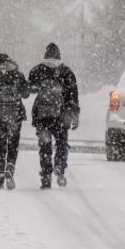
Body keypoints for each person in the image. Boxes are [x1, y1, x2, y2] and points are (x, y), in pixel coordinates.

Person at [29, 43, 80, 189]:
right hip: (61, 116)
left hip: (42, 116)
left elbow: (30, 90)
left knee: (45, 146)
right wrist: (75, 114)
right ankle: (59, 167)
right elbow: (73, 96)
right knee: (61, 143)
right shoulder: (66, 71)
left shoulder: (37, 70)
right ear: (59, 55)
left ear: (45, 55)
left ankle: (46, 175)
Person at [0, 53, 30, 190]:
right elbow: (26, 94)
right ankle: (10, 166)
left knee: (0, 146)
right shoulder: (17, 75)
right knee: (13, 144)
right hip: (15, 115)